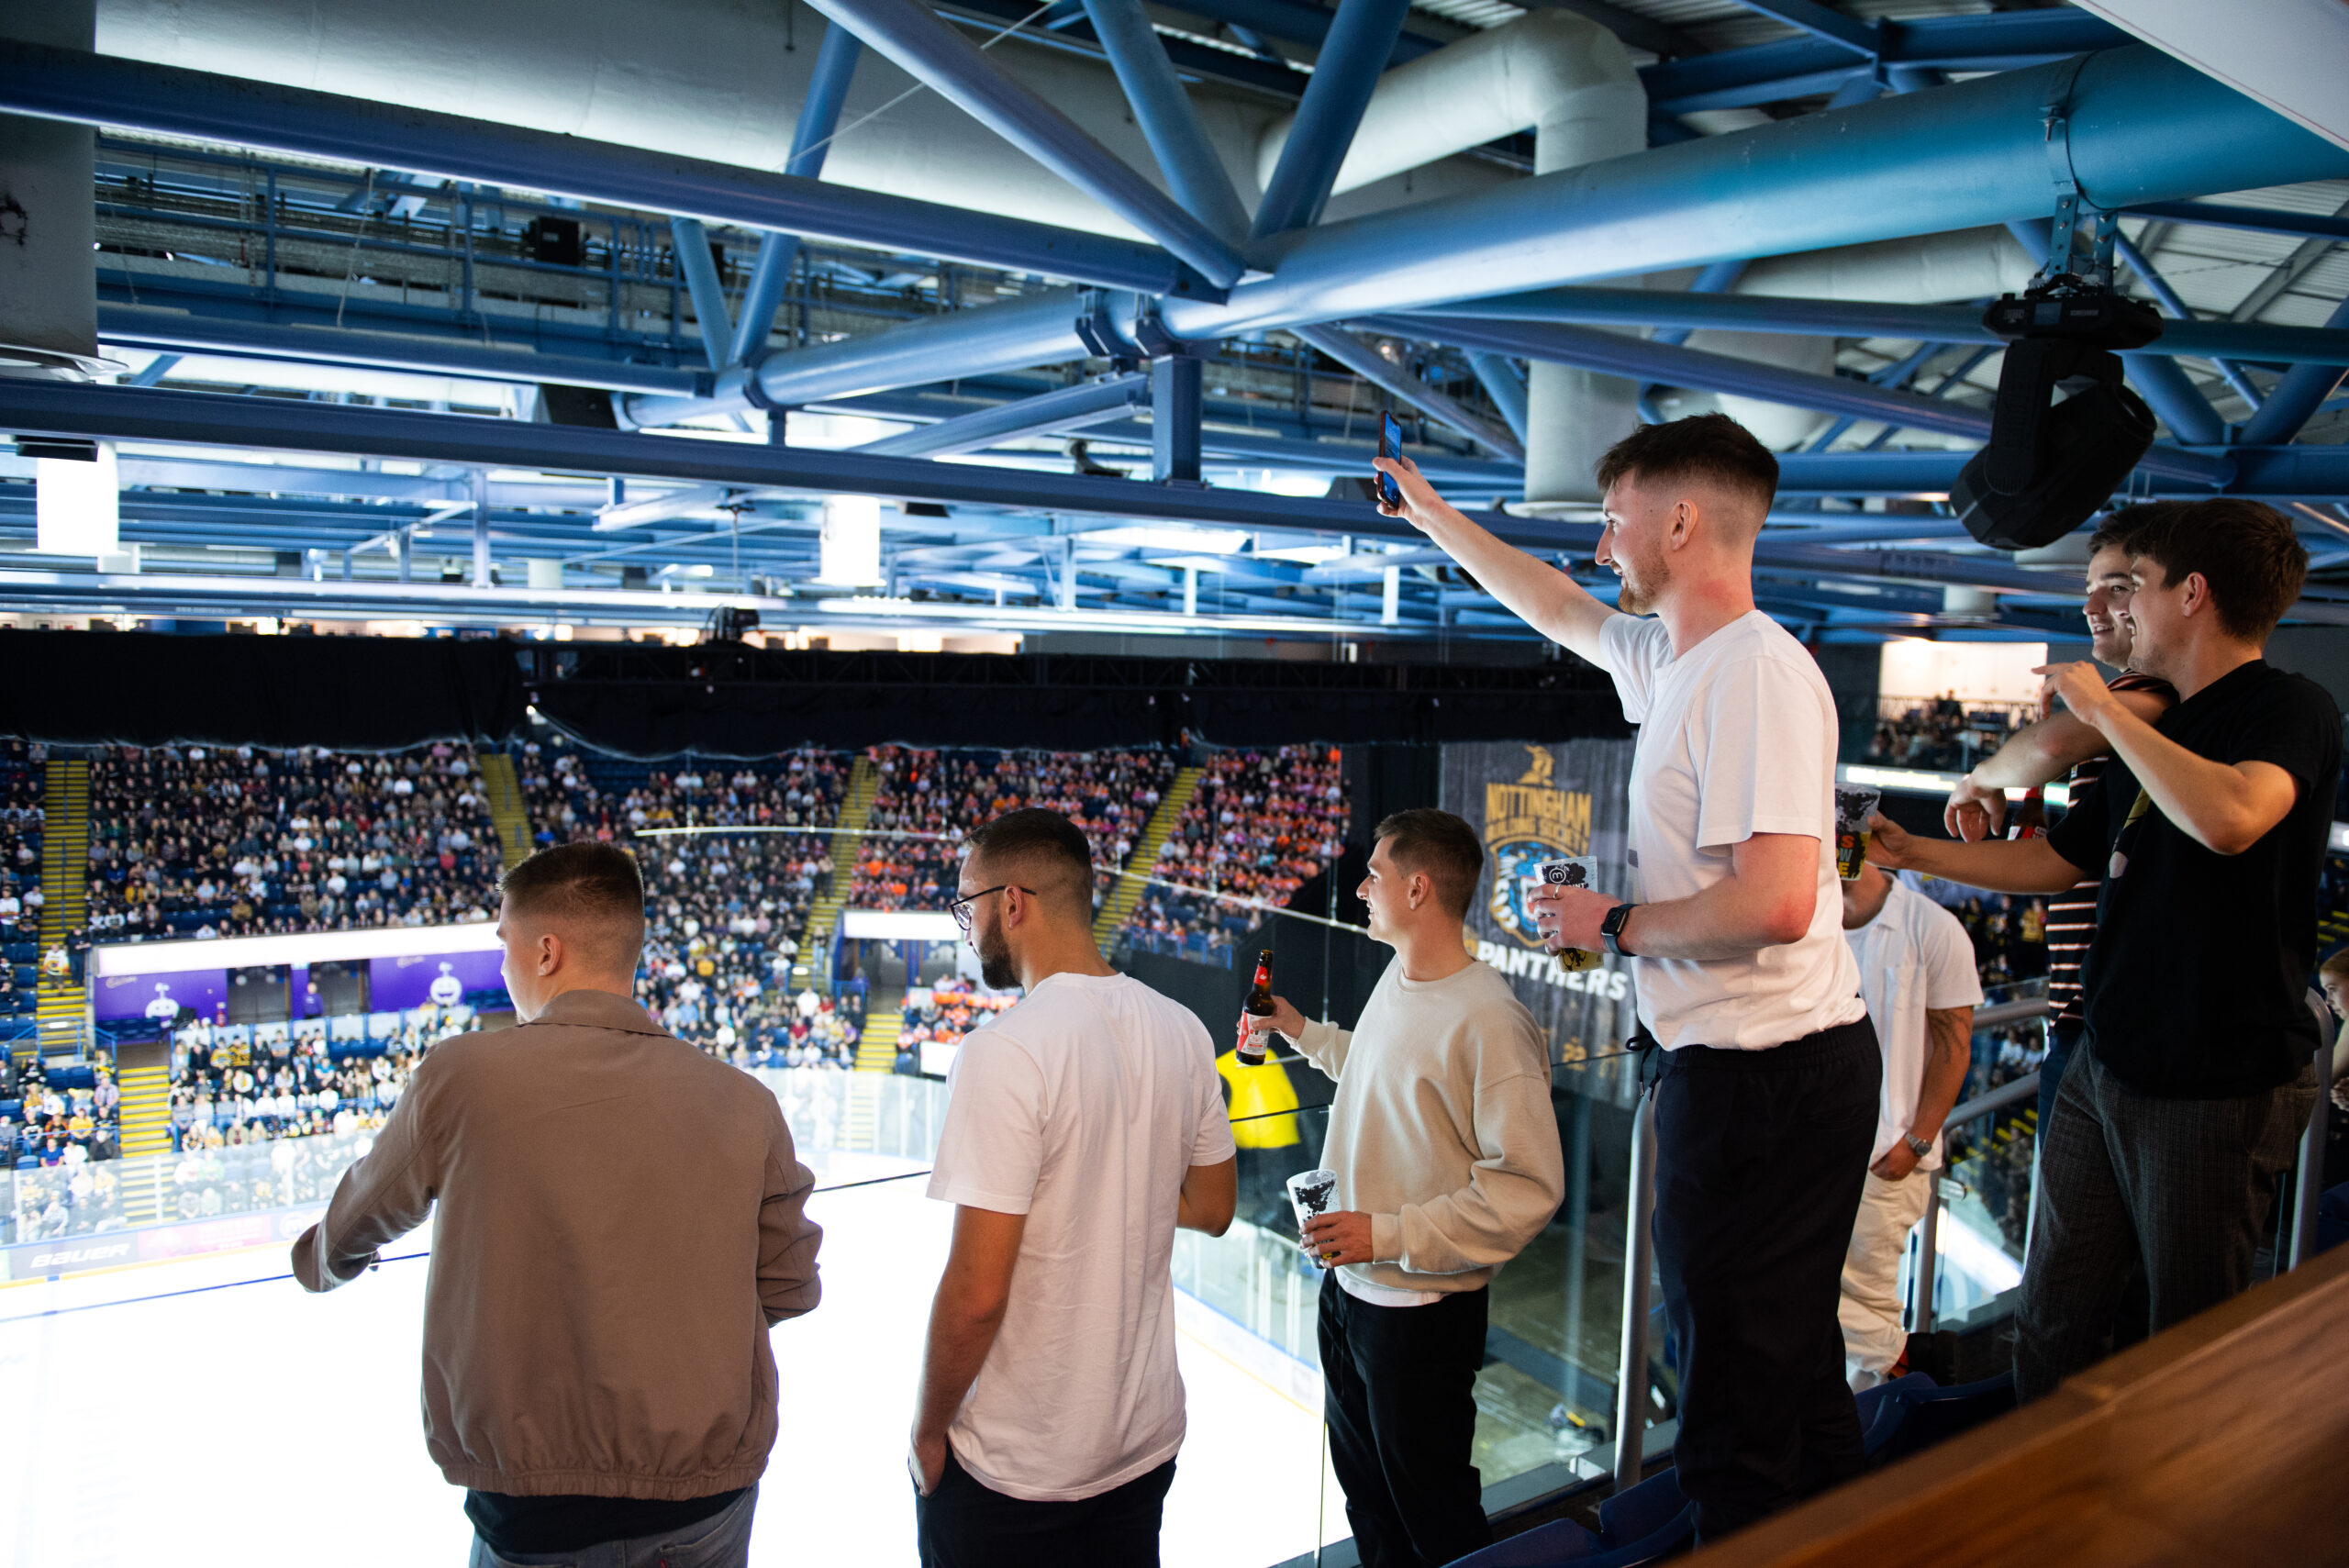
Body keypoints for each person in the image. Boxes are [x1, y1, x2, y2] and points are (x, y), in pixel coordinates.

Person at [1375, 413, 1877, 1543]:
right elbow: (1555, 605)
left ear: (1682, 521)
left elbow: (1778, 900)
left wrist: (1618, 922)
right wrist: (1434, 516)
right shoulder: (1681, 657)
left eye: (1615, 520)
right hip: (1756, 1072)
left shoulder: (1755, 671)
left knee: (1736, 1408)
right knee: (1787, 1376)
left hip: (1764, 1082)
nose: (1605, 545)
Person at [1867, 498, 2334, 1401]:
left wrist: (2108, 716)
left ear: (2189, 593)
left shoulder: (2286, 707)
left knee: (2187, 1332)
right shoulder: (2149, 720)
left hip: (2214, 1075)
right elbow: (2060, 856)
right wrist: (1914, 849)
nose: (2114, 610)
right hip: (2104, 1058)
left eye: (2133, 586)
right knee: (2054, 1313)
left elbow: (2232, 818)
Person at [291, 841, 822, 1568]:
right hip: (706, 1505)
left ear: (545, 952)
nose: (502, 964)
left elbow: (349, 1229)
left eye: (504, 943)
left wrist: (320, 1260)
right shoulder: (745, 1102)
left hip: (533, 1513)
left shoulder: (463, 1076)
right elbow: (790, 1287)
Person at [910, 808, 1236, 1568]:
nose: (967, 925)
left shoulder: (1005, 1052)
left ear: (1012, 903)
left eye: (969, 904)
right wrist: (1113, 1198)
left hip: (1021, 1468)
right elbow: (1215, 1207)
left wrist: (928, 1430)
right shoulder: (1183, 1027)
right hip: (1143, 1442)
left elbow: (977, 1291)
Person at [1245, 808, 1564, 1568]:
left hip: (1419, 1317)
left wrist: (1386, 1235)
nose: (1359, 889)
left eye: (1375, 875)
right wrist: (1298, 1028)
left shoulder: (1490, 1019)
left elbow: (1526, 1187)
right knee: (1371, 1504)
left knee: (1435, 1517)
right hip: (1351, 1292)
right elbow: (1383, 1069)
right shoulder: (1402, 976)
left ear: (1418, 888)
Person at [1942, 506, 2178, 1129]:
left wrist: (1977, 778)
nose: (2094, 605)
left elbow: (2048, 747)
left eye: (2118, 587)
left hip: (2103, 1025)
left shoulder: (2149, 694)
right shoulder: (2124, 710)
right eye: (2088, 587)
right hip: (2084, 1013)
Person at [1834, 862, 1980, 1389]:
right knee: (1786, 1286)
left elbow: (1954, 1045)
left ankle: (1872, 1436)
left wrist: (1914, 1144)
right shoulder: (1809, 920)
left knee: (1865, 1303)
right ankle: (1906, 1357)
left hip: (1884, 1157)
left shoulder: (1933, 927)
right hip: (1813, 1149)